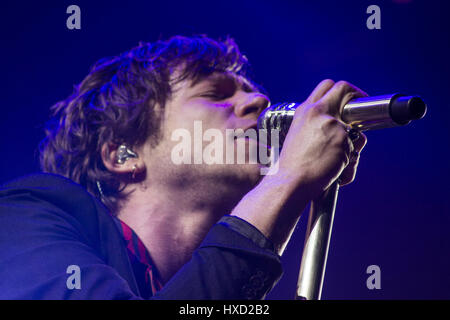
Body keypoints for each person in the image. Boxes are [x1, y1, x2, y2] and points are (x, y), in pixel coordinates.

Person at [0, 35, 367, 299]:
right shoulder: (27, 213)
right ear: (124, 154)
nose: (258, 100)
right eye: (216, 94)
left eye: (249, 91)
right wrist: (287, 182)